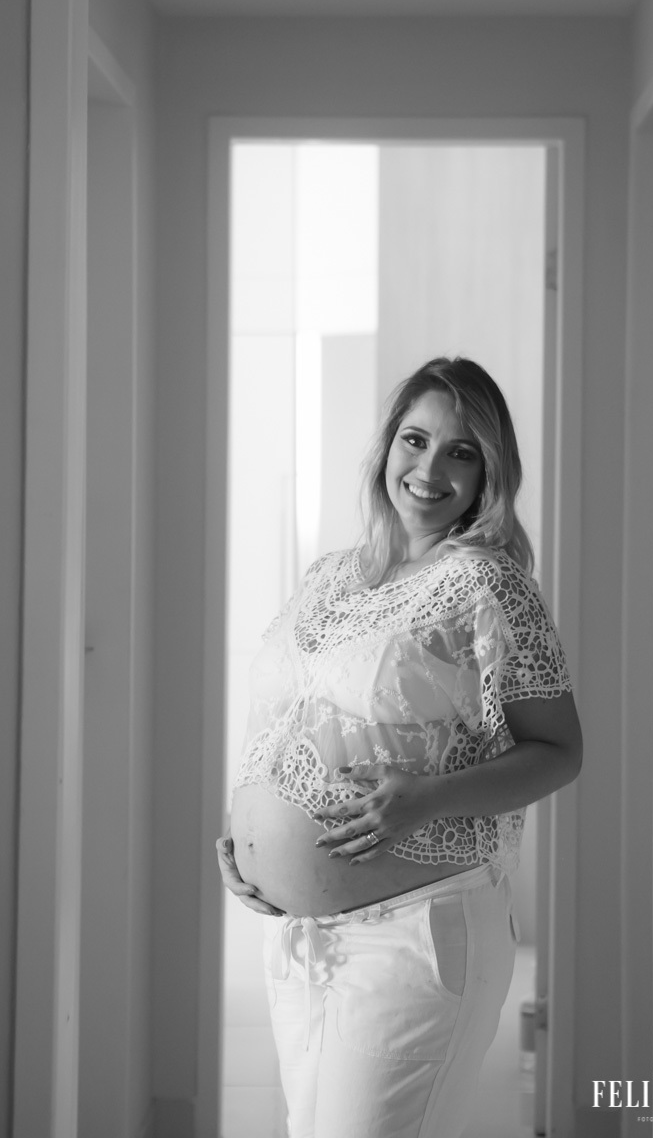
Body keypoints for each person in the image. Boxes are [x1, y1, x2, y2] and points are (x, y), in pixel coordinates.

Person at [216, 355, 582, 1138]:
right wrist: (243, 838)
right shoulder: (333, 575)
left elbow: (559, 749)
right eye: (415, 440)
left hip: (413, 935)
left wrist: (428, 799)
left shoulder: (487, 583)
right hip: (302, 939)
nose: (429, 468)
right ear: (385, 447)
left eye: (461, 452)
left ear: (489, 475)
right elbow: (288, 720)